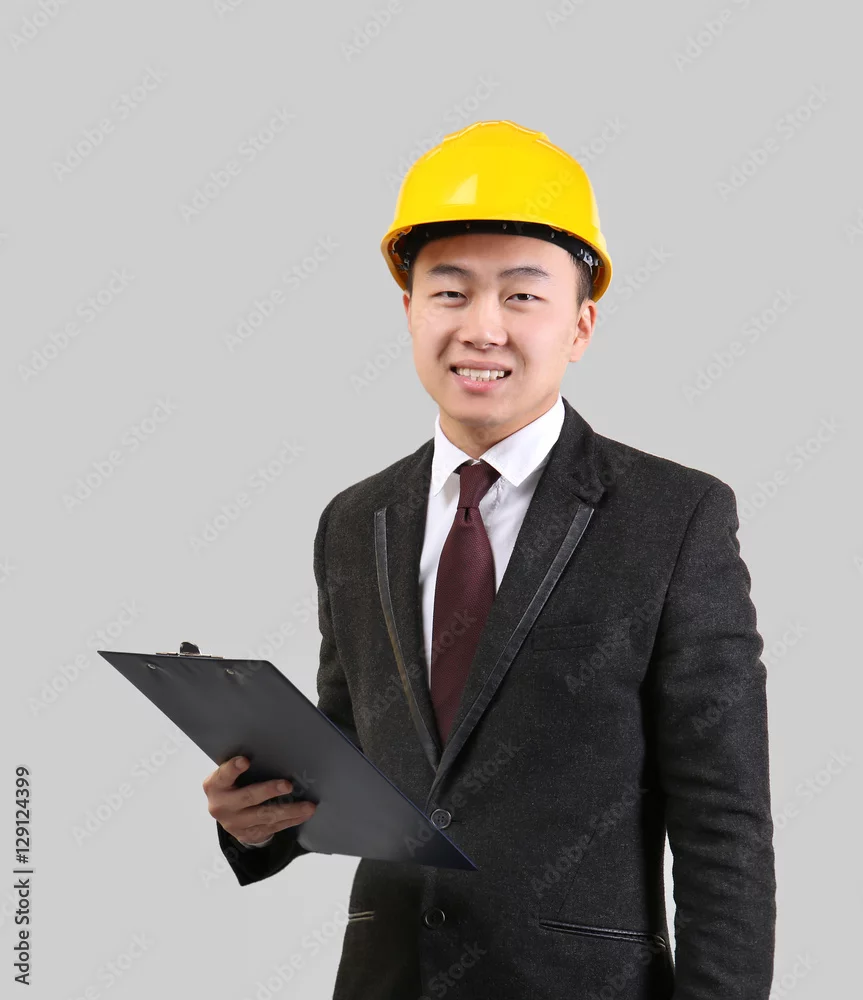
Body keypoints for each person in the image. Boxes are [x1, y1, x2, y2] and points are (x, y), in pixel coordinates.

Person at [203, 119, 776, 999]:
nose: (481, 328)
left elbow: (725, 823)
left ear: (580, 325)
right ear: (409, 312)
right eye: (450, 292)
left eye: (521, 296)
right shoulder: (354, 521)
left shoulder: (674, 517)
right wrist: (256, 819)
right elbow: (350, 757)